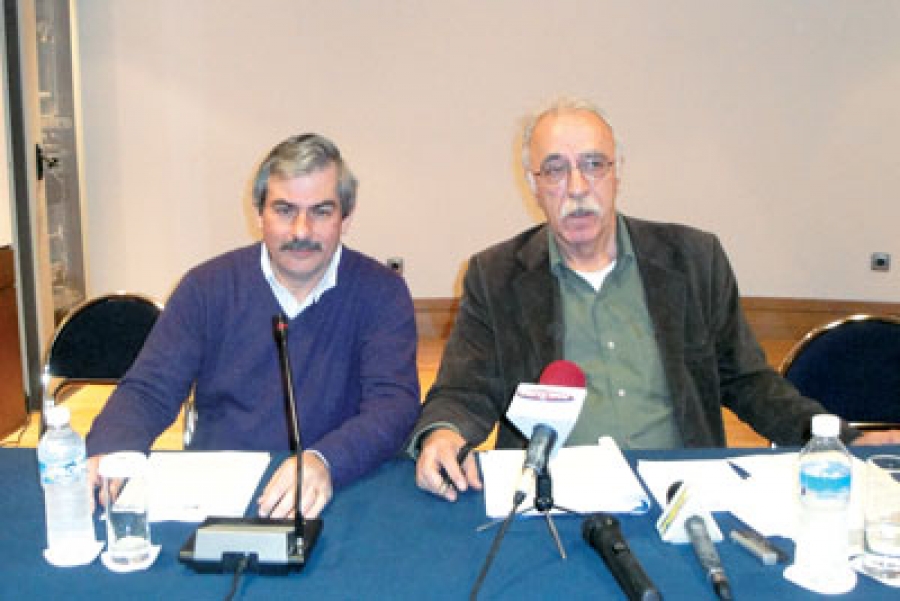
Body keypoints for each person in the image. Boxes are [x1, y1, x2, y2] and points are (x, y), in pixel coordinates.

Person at [411, 97, 900, 501]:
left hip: (684, 489)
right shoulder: (495, 275)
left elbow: (748, 380)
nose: (577, 188)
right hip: (554, 493)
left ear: (617, 172)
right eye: (554, 170)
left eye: (593, 165)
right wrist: (444, 432)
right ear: (534, 185)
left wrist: (841, 441)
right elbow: (464, 389)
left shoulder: (693, 259)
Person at [86, 133, 421, 518]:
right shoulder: (206, 287)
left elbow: (393, 404)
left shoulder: (382, 292)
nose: (301, 231)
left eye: (321, 212)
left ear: (346, 218)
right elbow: (150, 389)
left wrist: (326, 460)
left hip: (339, 486)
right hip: (219, 498)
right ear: (259, 214)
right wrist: (114, 446)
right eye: (284, 210)